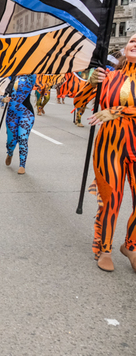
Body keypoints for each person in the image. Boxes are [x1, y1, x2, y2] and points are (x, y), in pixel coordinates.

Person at [74, 36, 136, 271]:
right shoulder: (108, 77)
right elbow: (78, 102)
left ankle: (131, 245)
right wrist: (91, 83)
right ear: (125, 48)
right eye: (132, 40)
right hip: (110, 147)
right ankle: (105, 248)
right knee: (111, 198)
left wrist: (118, 110)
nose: (135, 43)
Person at [3, 75, 36, 175]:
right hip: (11, 115)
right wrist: (4, 99)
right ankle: (10, 152)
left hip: (26, 114)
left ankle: (22, 165)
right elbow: (2, 95)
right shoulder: (10, 76)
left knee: (23, 138)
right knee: (11, 141)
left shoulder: (30, 76)